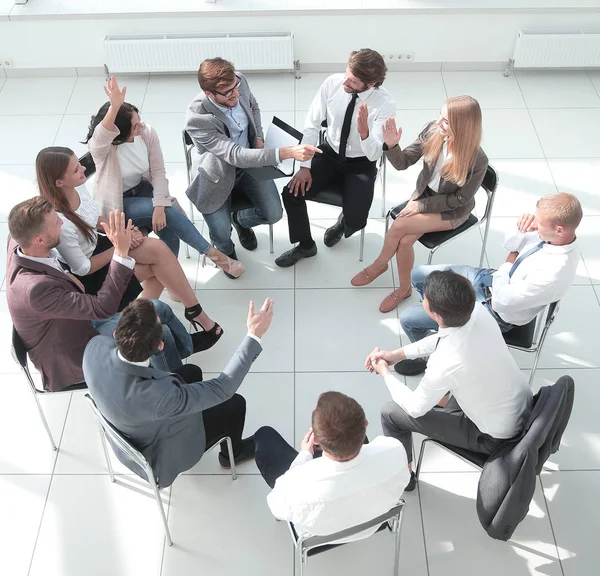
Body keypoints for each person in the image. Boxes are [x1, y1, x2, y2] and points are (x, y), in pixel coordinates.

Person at [35, 146, 225, 351]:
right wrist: (119, 246)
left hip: (102, 245)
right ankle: (151, 322)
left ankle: (178, 315)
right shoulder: (60, 224)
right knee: (156, 266)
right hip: (92, 273)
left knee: (158, 252)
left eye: (79, 164)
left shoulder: (76, 186)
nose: (83, 168)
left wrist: (120, 231)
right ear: (58, 182)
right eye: (75, 169)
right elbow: (82, 268)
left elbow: (93, 219)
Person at [6, 199, 198, 392]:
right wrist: (120, 252)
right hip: (75, 351)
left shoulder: (21, 241)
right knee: (158, 332)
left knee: (158, 308)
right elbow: (102, 307)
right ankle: (176, 391)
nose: (62, 223)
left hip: (77, 319)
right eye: (57, 223)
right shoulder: (36, 289)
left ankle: (184, 351)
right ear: (39, 239)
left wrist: (66, 275)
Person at [365, 270, 532, 491]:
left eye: (423, 298)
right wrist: (397, 355)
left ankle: (403, 477)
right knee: (442, 390)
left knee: (391, 413)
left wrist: (385, 372)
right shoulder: (479, 312)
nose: (422, 300)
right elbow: (442, 338)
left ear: (435, 314)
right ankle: (444, 408)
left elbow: (415, 409)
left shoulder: (446, 362)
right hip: (520, 406)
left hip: (494, 437)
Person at [83, 297, 274, 488]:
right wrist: (254, 335)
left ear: (116, 332)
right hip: (159, 452)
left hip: (128, 426)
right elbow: (223, 387)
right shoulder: (161, 396)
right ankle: (233, 454)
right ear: (160, 346)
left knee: (192, 372)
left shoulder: (94, 347)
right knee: (235, 404)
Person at [397, 192, 582, 376]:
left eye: (539, 222)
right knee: (418, 274)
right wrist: (520, 229)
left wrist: (508, 263)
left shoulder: (555, 272)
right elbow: (510, 247)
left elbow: (501, 301)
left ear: (559, 230)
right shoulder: (550, 235)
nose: (535, 223)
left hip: (494, 311)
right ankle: (441, 322)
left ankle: (430, 356)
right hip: (492, 281)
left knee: (408, 319)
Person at [84, 76, 244, 278]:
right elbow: (101, 136)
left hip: (142, 190)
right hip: (118, 205)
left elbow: (159, 172)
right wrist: (114, 106)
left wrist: (159, 205)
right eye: (135, 127)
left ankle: (168, 278)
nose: (141, 127)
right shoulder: (103, 150)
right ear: (119, 135)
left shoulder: (147, 133)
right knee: (165, 211)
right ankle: (212, 254)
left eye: (139, 120)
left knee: (168, 229)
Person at [351, 96, 488, 312]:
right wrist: (392, 144)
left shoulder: (477, 159)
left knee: (399, 225)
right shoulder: (433, 131)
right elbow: (403, 162)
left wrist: (420, 206)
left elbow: (459, 199)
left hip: (452, 211)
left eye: (446, 121)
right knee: (404, 242)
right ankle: (404, 289)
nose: (438, 123)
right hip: (424, 195)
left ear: (462, 127)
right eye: (440, 117)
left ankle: (379, 265)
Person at [185, 57, 321, 263]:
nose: (236, 94)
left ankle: (239, 221)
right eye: (229, 92)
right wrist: (287, 152)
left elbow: (253, 106)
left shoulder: (238, 81)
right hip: (216, 175)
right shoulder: (196, 118)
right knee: (221, 233)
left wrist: (258, 136)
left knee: (273, 214)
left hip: (251, 166)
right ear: (209, 93)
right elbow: (235, 155)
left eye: (236, 87)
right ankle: (228, 254)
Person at [274, 49, 396, 268]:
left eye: (354, 81)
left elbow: (374, 153)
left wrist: (364, 133)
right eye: (347, 74)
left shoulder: (385, 104)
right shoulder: (333, 83)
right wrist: (304, 166)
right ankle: (305, 245)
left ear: (371, 84)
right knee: (291, 192)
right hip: (328, 153)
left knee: (357, 219)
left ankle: (342, 224)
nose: (345, 82)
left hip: (361, 163)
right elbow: (311, 125)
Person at [254, 391, 408, 541]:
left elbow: (276, 506)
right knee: (350, 430)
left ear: (317, 440)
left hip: (321, 537)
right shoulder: (395, 451)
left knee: (264, 434)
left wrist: (305, 454)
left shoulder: (297, 487)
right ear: (365, 423)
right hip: (372, 524)